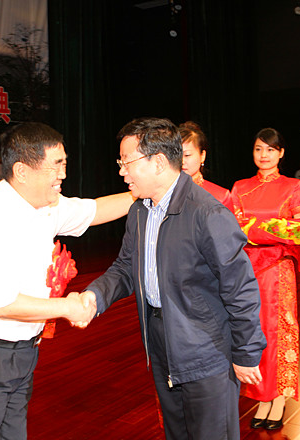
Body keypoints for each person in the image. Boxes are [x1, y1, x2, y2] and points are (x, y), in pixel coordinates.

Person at [0, 122, 134, 440]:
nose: (62, 174)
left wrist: (143, 191)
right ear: (22, 171)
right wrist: (67, 308)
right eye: (55, 165)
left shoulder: (46, 206)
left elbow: (94, 210)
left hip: (20, 353)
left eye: (64, 163)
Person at [81, 117, 266, 440]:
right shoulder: (140, 211)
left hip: (207, 350)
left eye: (127, 162)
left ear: (158, 162)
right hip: (162, 341)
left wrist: (246, 353)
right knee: (176, 432)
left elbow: (240, 288)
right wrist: (93, 296)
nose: (122, 172)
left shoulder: (207, 213)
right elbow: (126, 267)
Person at [230, 128, 300, 431]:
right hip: (244, 269)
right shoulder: (240, 187)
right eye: (258, 149)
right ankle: (260, 396)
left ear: (281, 153)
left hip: (277, 269)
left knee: (277, 331)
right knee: (249, 329)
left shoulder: (293, 186)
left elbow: (299, 229)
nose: (263, 155)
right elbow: (232, 227)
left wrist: (277, 234)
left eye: (270, 149)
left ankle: (278, 396)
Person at [179, 121, 234, 212]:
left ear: (202, 155)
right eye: (177, 155)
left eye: (187, 155)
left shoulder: (220, 197)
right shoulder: (160, 193)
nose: (182, 161)